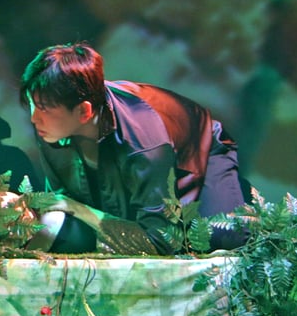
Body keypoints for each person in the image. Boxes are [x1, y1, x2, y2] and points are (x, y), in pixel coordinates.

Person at [19, 42, 248, 255]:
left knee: (223, 239)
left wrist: (78, 208)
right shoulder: (53, 126)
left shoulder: (143, 140)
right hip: (129, 157)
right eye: (31, 104)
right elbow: (62, 206)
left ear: (84, 111)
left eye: (44, 109)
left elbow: (161, 239)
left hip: (201, 150)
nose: (34, 118)